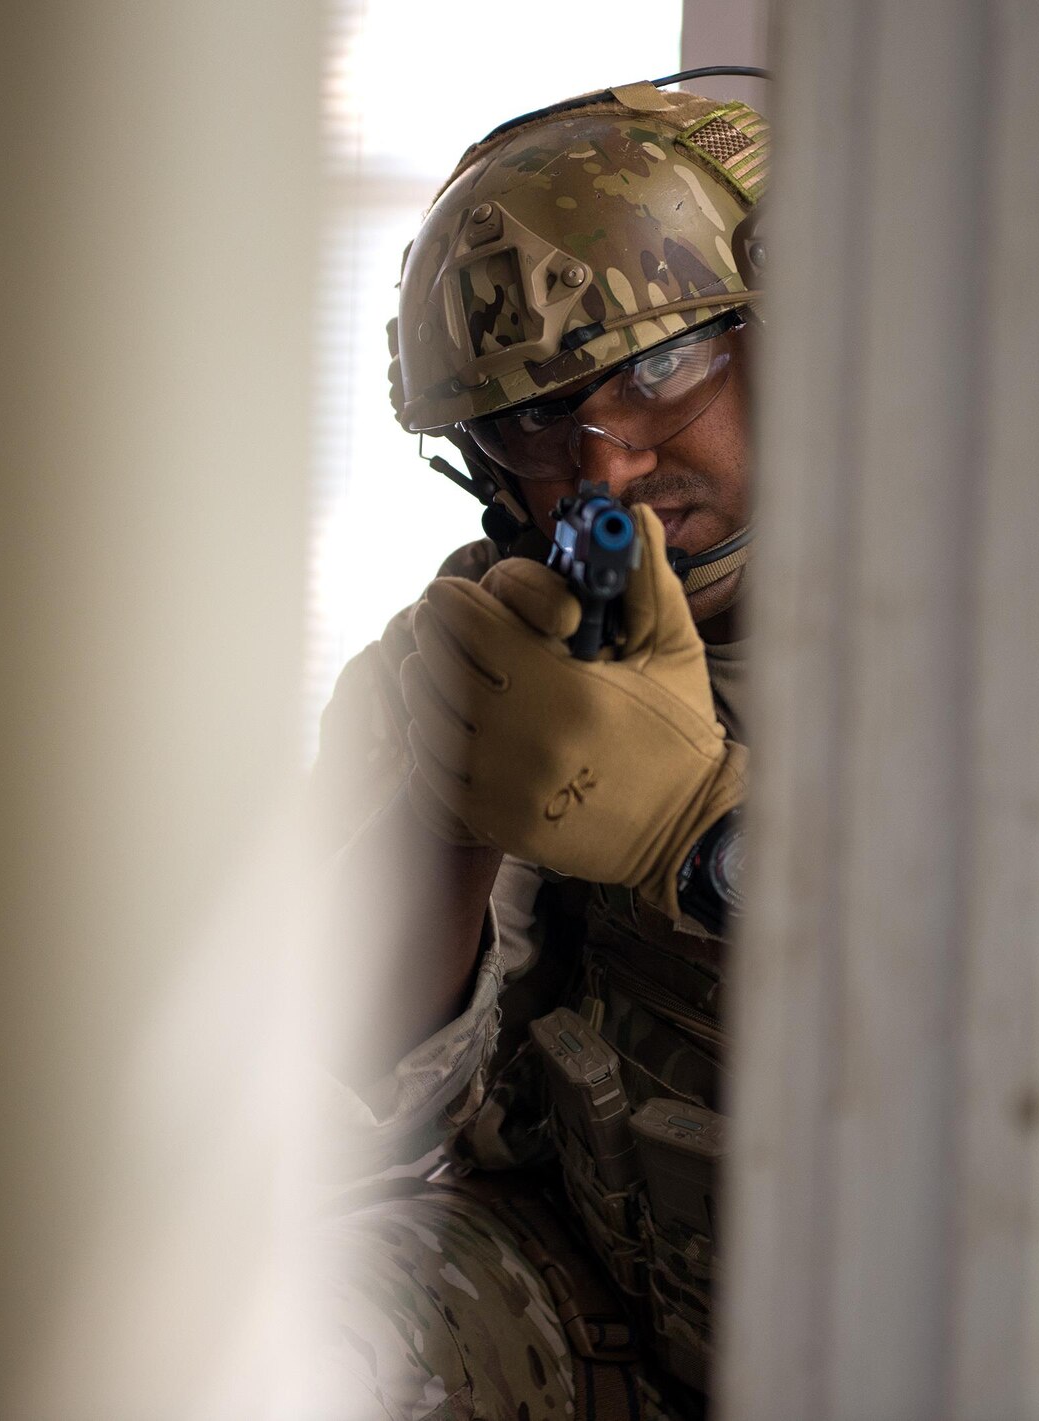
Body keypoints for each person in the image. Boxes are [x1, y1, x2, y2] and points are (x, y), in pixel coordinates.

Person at [311, 73, 767, 1421]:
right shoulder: (458, 652)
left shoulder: (992, 657)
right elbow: (317, 1085)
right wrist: (441, 814)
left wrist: (704, 837)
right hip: (563, 1281)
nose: (606, 463)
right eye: (533, 418)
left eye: (661, 364)